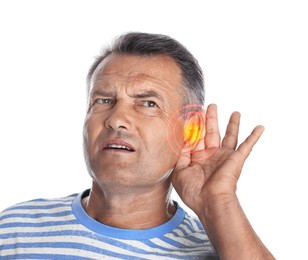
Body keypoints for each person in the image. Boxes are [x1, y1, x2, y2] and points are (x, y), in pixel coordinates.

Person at [0, 32, 274, 259]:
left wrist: (219, 202)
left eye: (148, 103)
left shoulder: (219, 252)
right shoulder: (14, 230)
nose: (117, 119)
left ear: (191, 131)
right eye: (103, 100)